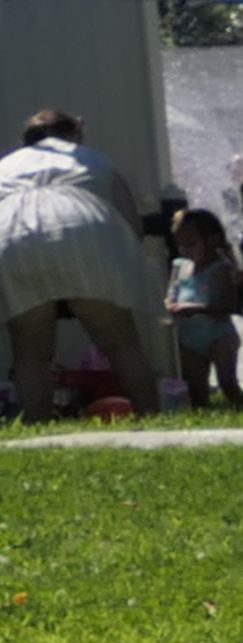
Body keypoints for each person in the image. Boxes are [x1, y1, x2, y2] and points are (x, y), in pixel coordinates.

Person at [0, 111, 166, 419]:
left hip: (14, 241)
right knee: (120, 343)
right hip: (84, 237)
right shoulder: (92, 159)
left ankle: (37, 423)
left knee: (30, 353)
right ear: (74, 135)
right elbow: (133, 227)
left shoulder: (6, 165)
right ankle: (150, 415)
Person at [164, 202, 243, 408]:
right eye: (180, 244)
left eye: (191, 244)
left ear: (212, 239)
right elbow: (171, 294)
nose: (185, 250)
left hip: (219, 334)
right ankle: (203, 419)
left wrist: (196, 308)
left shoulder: (220, 269)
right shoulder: (179, 265)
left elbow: (228, 306)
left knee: (227, 383)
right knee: (196, 389)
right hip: (189, 337)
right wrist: (170, 305)